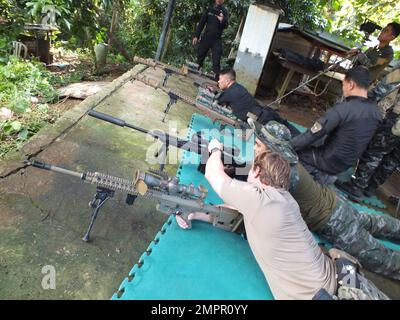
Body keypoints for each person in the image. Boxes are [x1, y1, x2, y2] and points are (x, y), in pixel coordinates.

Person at [180, 138, 337, 300]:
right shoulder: (284, 200)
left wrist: (215, 150)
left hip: (317, 296)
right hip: (333, 276)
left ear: (257, 172)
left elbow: (212, 173)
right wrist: (197, 213)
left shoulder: (261, 201)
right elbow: (238, 210)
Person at [290, 66, 381, 185]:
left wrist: (287, 146)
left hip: (328, 161)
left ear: (351, 84)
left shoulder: (344, 109)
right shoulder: (376, 112)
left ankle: (321, 176)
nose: (343, 88)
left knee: (294, 153)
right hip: (346, 164)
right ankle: (327, 173)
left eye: (343, 84)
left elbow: (312, 134)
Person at [335, 104, 400, 202]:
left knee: (376, 150)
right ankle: (371, 185)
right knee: (392, 159)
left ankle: (357, 186)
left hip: (396, 122)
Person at [215, 69, 300, 136]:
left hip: (262, 120)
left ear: (227, 81)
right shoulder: (239, 87)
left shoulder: (228, 93)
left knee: (286, 137)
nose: (218, 81)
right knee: (289, 128)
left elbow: (215, 101)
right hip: (266, 112)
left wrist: (213, 92)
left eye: (220, 79)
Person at [193, 0, 229, 79]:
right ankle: (194, 75)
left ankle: (217, 81)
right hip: (206, 38)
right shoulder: (209, 9)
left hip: (216, 40)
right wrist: (196, 36)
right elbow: (201, 23)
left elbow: (226, 25)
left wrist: (222, 20)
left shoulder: (224, 11)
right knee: (199, 57)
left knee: (216, 60)